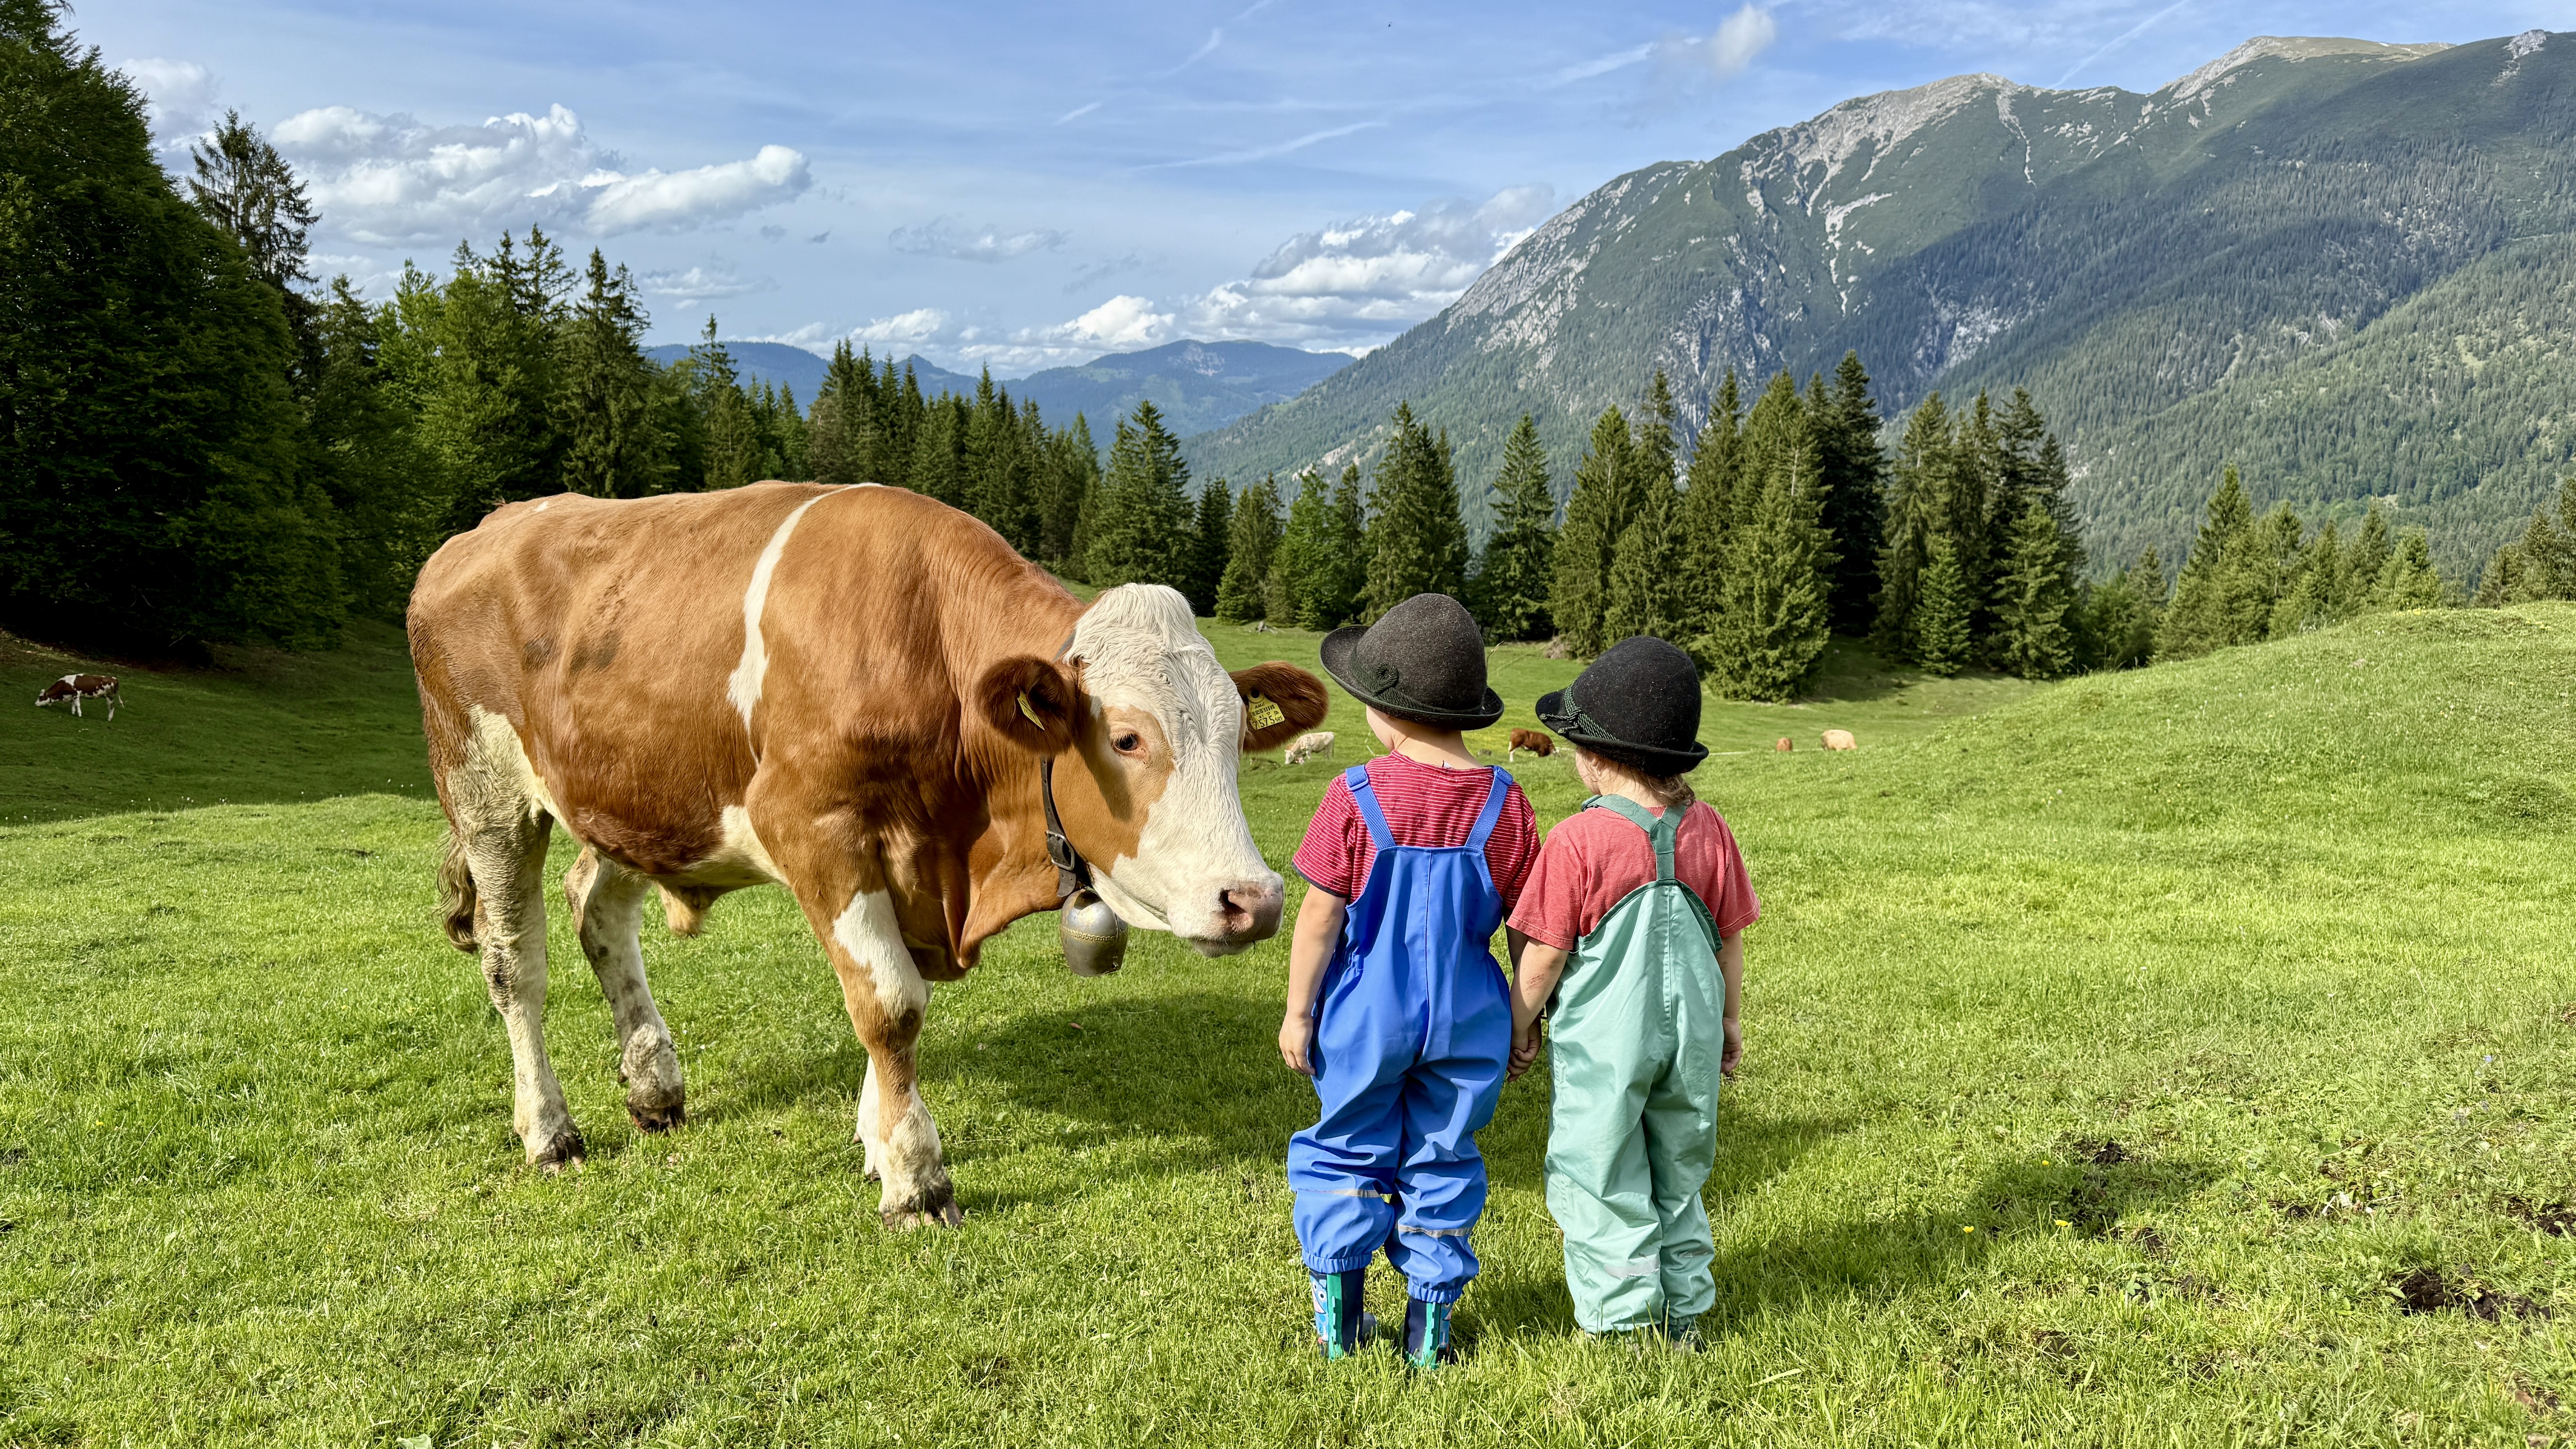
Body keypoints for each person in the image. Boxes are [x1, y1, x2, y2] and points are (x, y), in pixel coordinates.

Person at [1279, 593, 1538, 1368]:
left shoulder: (1354, 794)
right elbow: (1530, 926)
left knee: (1348, 1149)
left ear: (1386, 713)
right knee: (1443, 1155)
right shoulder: (1506, 802)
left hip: (1366, 1012)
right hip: (1468, 1016)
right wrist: (1525, 1018)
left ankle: (1340, 1322)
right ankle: (1429, 1333)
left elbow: (1321, 918)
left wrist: (1299, 1012)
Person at [1503, 635, 1757, 1348]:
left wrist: (1520, 1026)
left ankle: (1621, 1322)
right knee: (1680, 1166)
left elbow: (1546, 955)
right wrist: (1731, 1021)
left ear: (1592, 756)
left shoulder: (1580, 840)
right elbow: (1730, 936)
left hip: (1608, 1043)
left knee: (1601, 1166)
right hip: (1696, 1032)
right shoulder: (1710, 828)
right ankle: (1685, 1314)